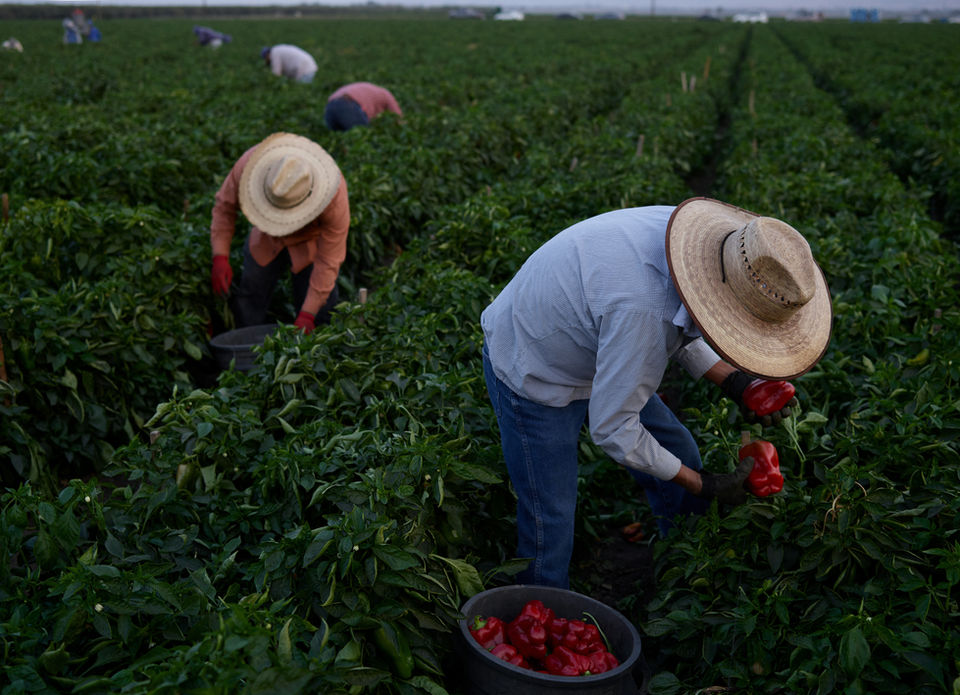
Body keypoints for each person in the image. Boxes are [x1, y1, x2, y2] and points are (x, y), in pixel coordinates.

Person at [480, 197, 832, 588]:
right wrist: (703, 484)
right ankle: (541, 608)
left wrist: (736, 381)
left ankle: (683, 559)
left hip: (598, 342)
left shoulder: (693, 242)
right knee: (551, 516)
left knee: (677, 449)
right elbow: (613, 429)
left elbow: (683, 316)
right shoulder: (642, 313)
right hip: (534, 365)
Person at [209, 132, 350, 335]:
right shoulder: (248, 167)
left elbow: (329, 260)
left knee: (320, 312)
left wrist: (308, 314)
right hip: (266, 238)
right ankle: (246, 346)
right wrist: (220, 256)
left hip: (310, 242)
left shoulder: (334, 195)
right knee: (250, 296)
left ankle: (315, 351)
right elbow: (224, 207)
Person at [324, 82, 403, 132]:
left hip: (330, 106)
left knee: (337, 139)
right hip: (348, 104)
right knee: (362, 135)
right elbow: (397, 115)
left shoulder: (372, 90)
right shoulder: (386, 94)